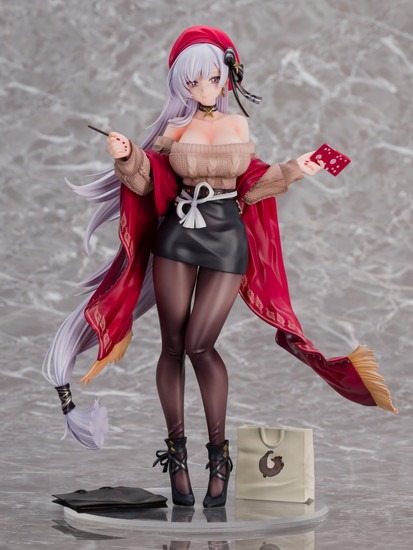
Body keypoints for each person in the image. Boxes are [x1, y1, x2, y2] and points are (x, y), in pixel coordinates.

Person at [43, 26, 397, 509]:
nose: (204, 88)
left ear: (227, 75)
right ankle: (178, 456)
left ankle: (219, 456)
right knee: (172, 346)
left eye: (211, 78)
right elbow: (147, 182)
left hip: (226, 239)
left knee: (200, 344)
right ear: (181, 85)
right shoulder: (175, 130)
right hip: (177, 238)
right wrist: (127, 158)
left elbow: (251, 187)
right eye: (193, 81)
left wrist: (299, 168)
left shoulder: (238, 128)